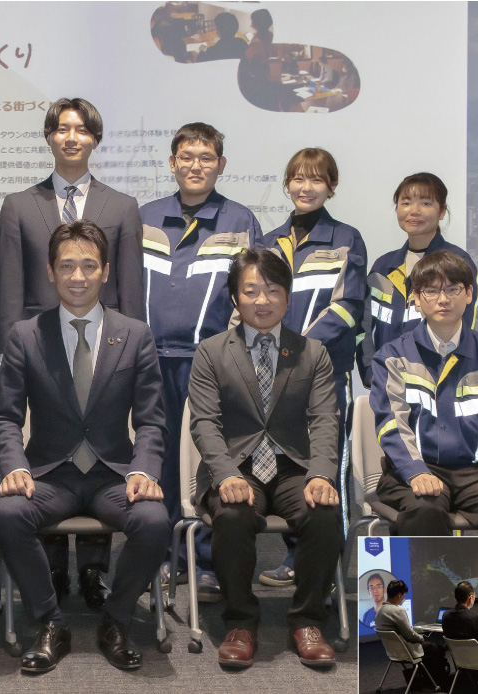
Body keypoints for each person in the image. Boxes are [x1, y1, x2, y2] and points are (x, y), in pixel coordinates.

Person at [0, 220, 170, 673]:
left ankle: (116, 621)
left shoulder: (135, 334)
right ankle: (51, 622)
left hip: (114, 475)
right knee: (8, 514)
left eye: (89, 266)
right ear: (50, 272)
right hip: (50, 475)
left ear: (106, 271)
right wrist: (14, 466)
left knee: (154, 521)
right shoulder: (25, 335)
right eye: (67, 266)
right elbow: (6, 417)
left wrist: (144, 470)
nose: (78, 276)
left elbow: (151, 419)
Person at [0, 98, 144, 602]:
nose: (72, 137)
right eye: (62, 129)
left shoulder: (121, 206)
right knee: (52, 452)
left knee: (100, 447)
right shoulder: (19, 205)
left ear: (95, 139)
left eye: (82, 130)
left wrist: (128, 352)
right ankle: (52, 571)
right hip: (41, 350)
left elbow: (129, 290)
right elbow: (9, 289)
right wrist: (16, 352)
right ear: (49, 137)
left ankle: (95, 571)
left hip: (104, 348)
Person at [188, 248, 342, 669]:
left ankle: (308, 620)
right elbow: (204, 422)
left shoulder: (312, 352)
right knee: (233, 515)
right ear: (235, 298)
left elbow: (325, 419)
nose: (262, 300)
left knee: (325, 514)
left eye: (273, 290)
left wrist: (322, 474)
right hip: (236, 466)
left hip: (293, 467)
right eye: (251, 290)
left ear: (288, 298)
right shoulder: (211, 352)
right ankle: (240, 622)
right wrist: (224, 475)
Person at [139, 122, 261, 598]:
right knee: (158, 459)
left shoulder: (239, 221)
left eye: (206, 157)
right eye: (186, 157)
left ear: (221, 165)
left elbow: (250, 294)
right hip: (150, 361)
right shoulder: (145, 218)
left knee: (212, 459)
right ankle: (163, 555)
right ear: (172, 163)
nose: (195, 166)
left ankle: (207, 560)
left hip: (211, 364)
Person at [259, 147, 367, 586]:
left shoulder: (346, 239)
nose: (306, 187)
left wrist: (297, 350)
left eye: (317, 179)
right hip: (271, 377)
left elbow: (348, 308)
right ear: (287, 184)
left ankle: (328, 568)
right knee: (288, 466)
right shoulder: (268, 243)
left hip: (325, 375)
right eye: (298, 178)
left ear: (331, 187)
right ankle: (295, 556)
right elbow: (253, 303)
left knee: (327, 468)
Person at [371, 251, 478, 536]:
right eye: (431, 291)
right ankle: (425, 569)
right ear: (416, 298)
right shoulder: (393, 357)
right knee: (424, 510)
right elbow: (391, 423)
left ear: (469, 294)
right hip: (413, 468)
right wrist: (414, 470)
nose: (443, 299)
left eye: (452, 289)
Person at [360, 172, 478, 386]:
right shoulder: (383, 268)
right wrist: (371, 373)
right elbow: (364, 328)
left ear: (442, 211)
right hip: (386, 385)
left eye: (425, 203)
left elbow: (462, 333)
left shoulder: (458, 264)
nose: (414, 211)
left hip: (436, 388)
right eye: (406, 203)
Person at [375, 580, 449, 688]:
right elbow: (410, 635)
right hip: (407, 650)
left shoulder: (380, 610)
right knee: (436, 648)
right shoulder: (398, 611)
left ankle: (425, 678)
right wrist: (420, 638)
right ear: (399, 595)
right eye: (404, 595)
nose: (403, 598)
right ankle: (435, 681)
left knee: (430, 648)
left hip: (393, 652)